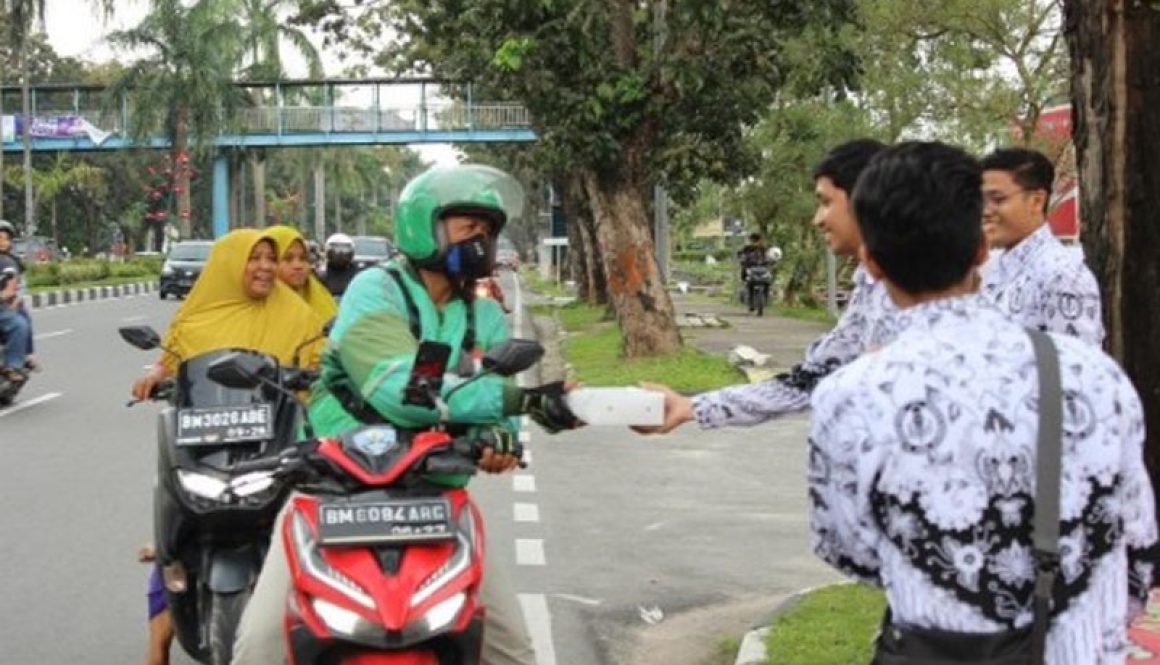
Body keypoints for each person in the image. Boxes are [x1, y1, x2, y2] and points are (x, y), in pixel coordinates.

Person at [809, 141, 1157, 663]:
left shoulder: (850, 396)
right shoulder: (1096, 377)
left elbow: (847, 547)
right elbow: (1139, 542)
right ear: (979, 250)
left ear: (871, 264)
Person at [232, 164, 581, 665]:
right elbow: (404, 390)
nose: (480, 241)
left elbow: (493, 397)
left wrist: (498, 438)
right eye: (468, 229)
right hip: (335, 493)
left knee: (513, 651)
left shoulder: (482, 315)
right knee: (259, 647)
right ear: (425, 227)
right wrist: (520, 401)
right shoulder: (374, 291)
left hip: (434, 498)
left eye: (487, 232)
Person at [131, 229, 326, 665]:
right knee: (173, 534)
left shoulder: (296, 315)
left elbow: (321, 367)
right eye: (253, 258)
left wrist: (318, 384)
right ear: (228, 265)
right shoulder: (196, 317)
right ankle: (157, 643)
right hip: (204, 447)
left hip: (272, 443)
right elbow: (171, 362)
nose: (264, 267)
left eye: (268, 259)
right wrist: (154, 377)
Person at [641, 138, 894, 433]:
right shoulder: (870, 284)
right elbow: (809, 380)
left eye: (826, 202)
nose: (817, 220)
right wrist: (691, 407)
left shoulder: (914, 288)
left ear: (866, 200)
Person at [978, 147, 1104, 347]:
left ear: (1036, 201)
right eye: (980, 200)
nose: (985, 211)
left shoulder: (1062, 276)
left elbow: (1075, 369)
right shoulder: (995, 271)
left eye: (998, 199)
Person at [265, 225, 338, 322]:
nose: (298, 266)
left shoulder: (320, 299)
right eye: (288, 259)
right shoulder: (255, 307)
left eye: (303, 258)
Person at [0, 219, 37, 371]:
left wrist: (15, 299)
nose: (1, 242)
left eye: (4, 239)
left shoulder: (12, 262)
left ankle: (26, 355)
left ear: (10, 242)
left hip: (9, 303)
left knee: (22, 321)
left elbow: (17, 287)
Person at [319, 232, 358, 298]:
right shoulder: (321, 275)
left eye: (345, 250)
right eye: (336, 250)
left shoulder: (357, 276)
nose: (340, 254)